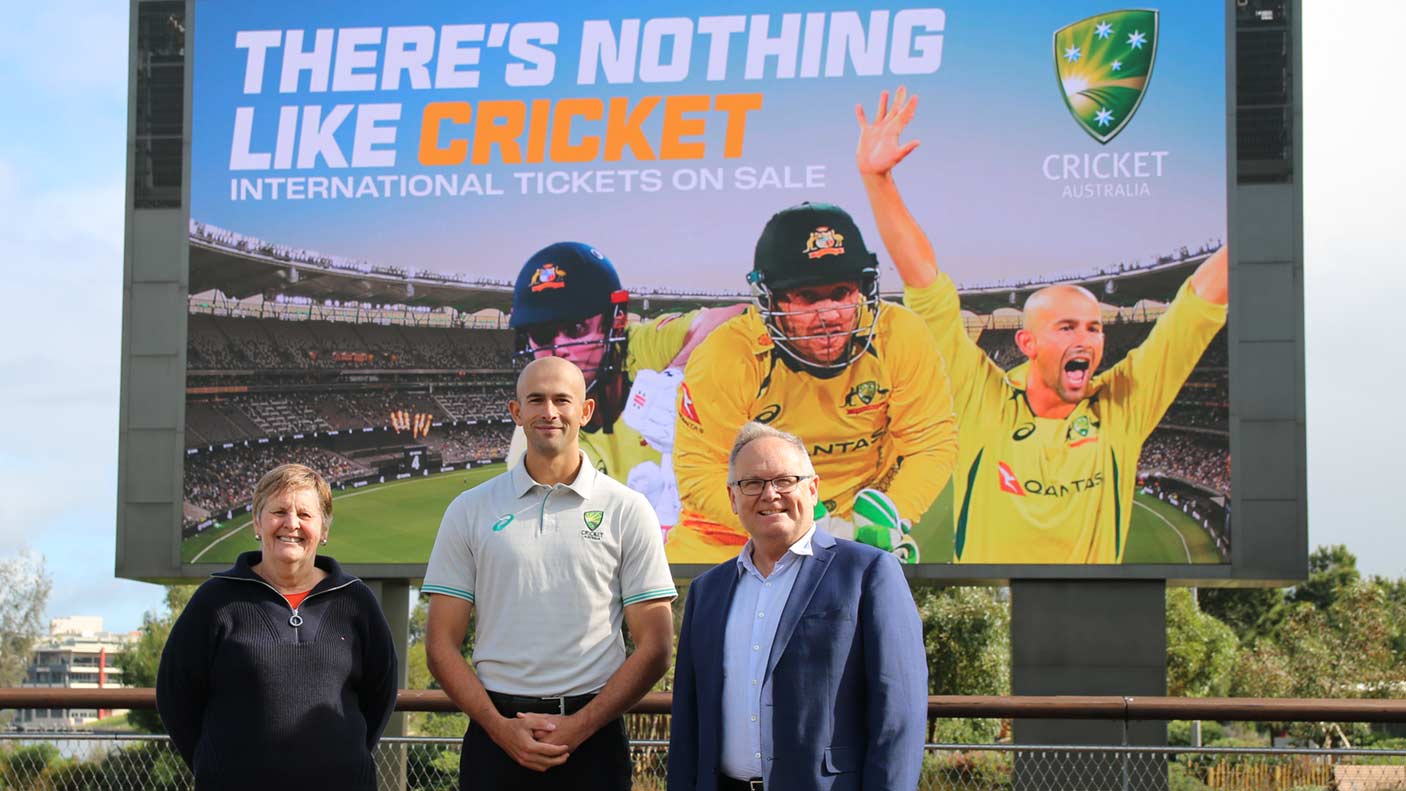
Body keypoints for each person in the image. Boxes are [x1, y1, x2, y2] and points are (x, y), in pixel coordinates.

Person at [855, 87, 1229, 563]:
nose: (1087, 339)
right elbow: (929, 293)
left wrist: (1262, 202)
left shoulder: (1121, 408)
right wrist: (877, 180)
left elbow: (1196, 308)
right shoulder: (983, 403)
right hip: (992, 620)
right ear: (1026, 342)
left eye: (1094, 328)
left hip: (1092, 622)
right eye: (1068, 327)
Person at [423, 356, 676, 790]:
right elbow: (439, 646)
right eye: (536, 400)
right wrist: (499, 728)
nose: (550, 411)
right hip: (495, 734)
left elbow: (655, 647)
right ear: (516, 413)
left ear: (586, 411)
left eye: (563, 399)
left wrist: (580, 725)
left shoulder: (628, 509)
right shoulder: (469, 509)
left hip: (594, 738)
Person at [670, 202, 959, 564]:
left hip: (853, 531)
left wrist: (890, 517)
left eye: (841, 293)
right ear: (770, 298)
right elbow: (701, 471)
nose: (830, 316)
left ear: (862, 288)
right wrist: (792, 522)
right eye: (808, 298)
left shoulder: (899, 335)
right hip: (730, 539)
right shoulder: (728, 355)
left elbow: (930, 443)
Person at [668, 422, 928, 791]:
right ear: (732, 497)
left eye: (784, 480)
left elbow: (899, 714)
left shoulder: (868, 573)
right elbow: (688, 722)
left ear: (813, 489)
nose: (769, 494)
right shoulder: (707, 592)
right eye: (752, 483)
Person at [156, 463, 398, 791]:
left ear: (324, 529)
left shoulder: (356, 601)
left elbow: (379, 696)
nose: (292, 524)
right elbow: (176, 696)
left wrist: (343, 758)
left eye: (305, 514)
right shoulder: (215, 601)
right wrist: (215, 766)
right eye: (279, 511)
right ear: (257, 522)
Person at [506, 241, 744, 535]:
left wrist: (675, 375)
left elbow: (735, 317)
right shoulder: (532, 434)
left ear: (615, 321)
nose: (559, 350)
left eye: (576, 329)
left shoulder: (642, 348)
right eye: (541, 336)